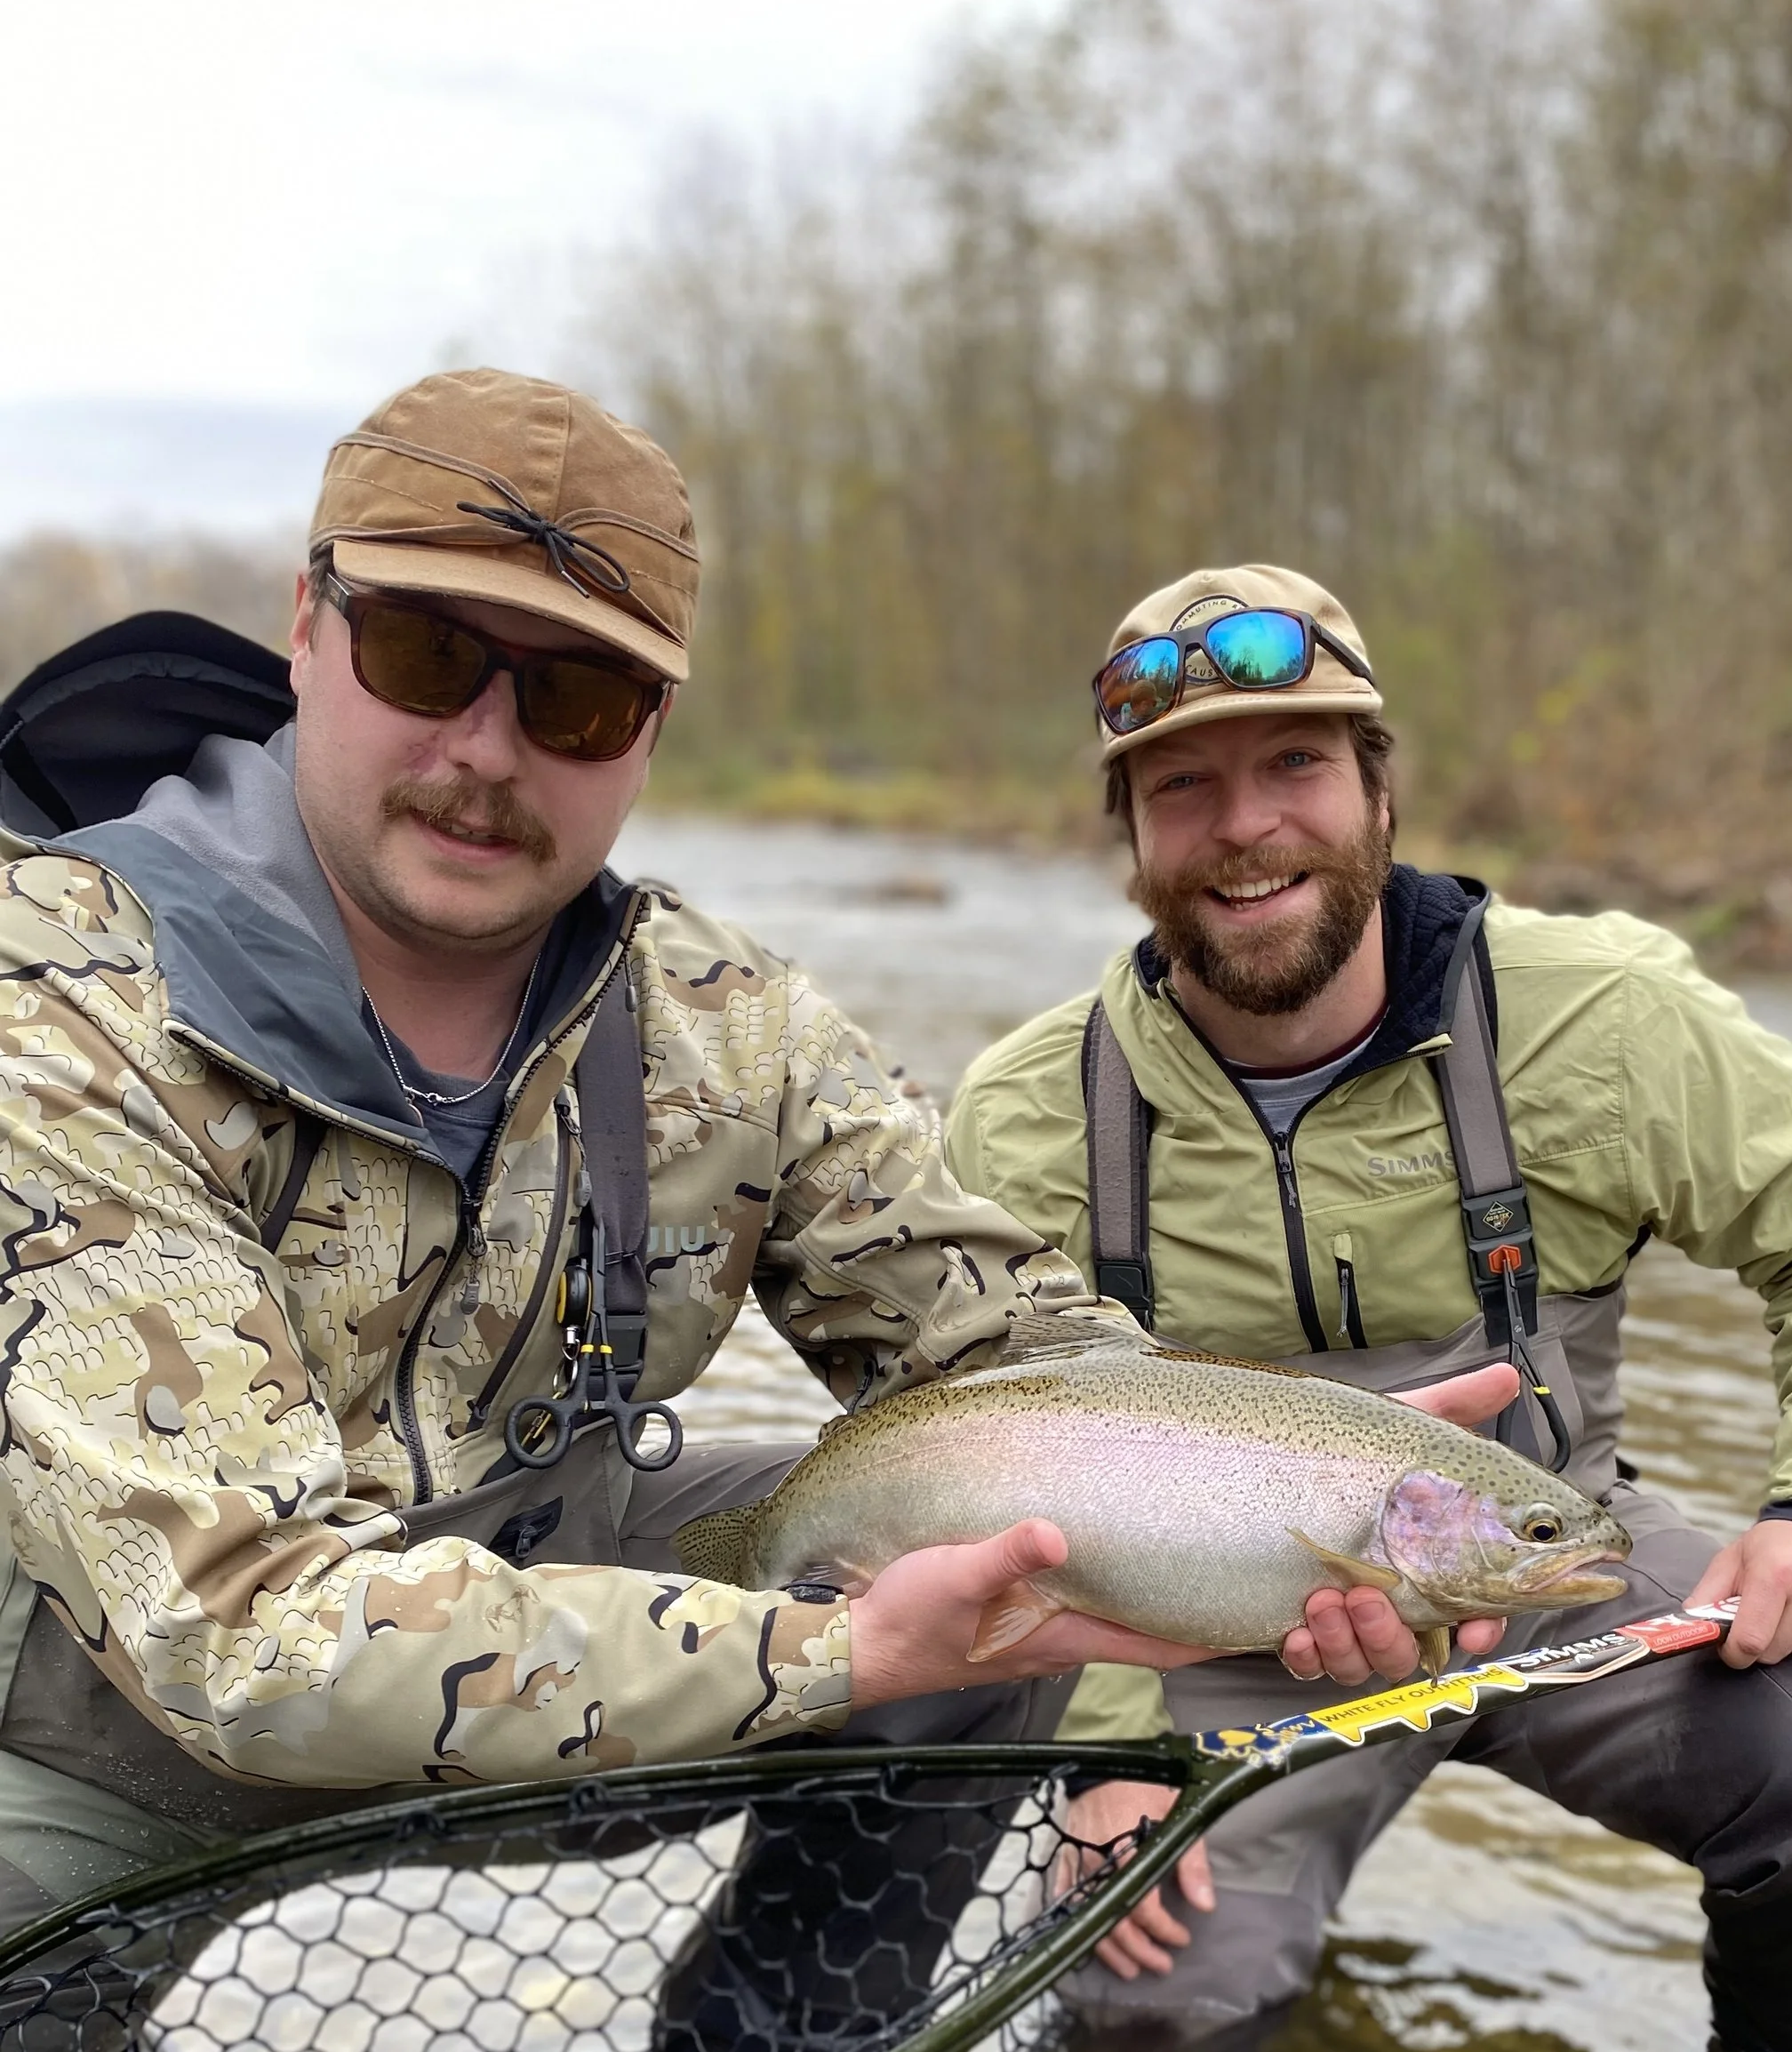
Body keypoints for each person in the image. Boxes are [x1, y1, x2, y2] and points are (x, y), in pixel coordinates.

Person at [0, 386, 1514, 1946]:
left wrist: (1300, 1480)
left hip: (558, 1629)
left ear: (650, 726)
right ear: (308, 625)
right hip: (106, 1743)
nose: (485, 750)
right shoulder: (54, 1007)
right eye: (429, 655)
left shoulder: (736, 1027)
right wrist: (841, 1656)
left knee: (1010, 1561)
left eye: (578, 698)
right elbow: (242, 1639)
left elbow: (1019, 1357)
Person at [947, 565, 1792, 2052]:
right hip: (1204, 1651)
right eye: (1184, 786)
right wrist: (1104, 1752)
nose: (1245, 827)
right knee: (1148, 2024)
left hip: (1561, 1565)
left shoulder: (1595, 1020)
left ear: (1378, 789)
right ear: (1133, 835)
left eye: (1294, 763)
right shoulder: (1032, 1119)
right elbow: (990, 1477)